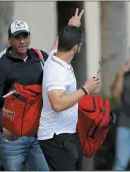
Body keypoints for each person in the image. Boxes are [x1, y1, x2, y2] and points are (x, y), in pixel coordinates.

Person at [0, 10, 80, 170]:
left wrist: (69, 28)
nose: (22, 41)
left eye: (25, 36)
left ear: (29, 38)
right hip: (12, 138)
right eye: (17, 37)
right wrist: (4, 128)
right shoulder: (0, 67)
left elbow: (56, 53)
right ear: (10, 39)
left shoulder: (40, 57)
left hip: (38, 135)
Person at [37, 9, 101, 171]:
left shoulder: (54, 57)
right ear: (76, 47)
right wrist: (85, 89)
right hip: (56, 137)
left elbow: (57, 43)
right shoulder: (57, 71)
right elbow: (57, 104)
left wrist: (71, 26)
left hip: (66, 134)